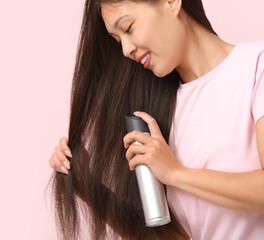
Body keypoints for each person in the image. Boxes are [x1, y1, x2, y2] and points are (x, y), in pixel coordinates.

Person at [48, 0, 264, 239]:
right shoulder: (159, 119)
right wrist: (84, 183)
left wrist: (175, 174)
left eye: (128, 28)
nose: (126, 50)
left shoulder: (256, 66)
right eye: (117, 41)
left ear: (171, 2)